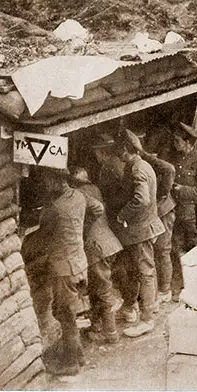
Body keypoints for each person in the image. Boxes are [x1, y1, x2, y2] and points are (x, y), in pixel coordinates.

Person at [39, 168, 103, 376]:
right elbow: (99, 209)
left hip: (63, 268)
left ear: (58, 181)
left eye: (48, 181)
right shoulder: (79, 196)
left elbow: (43, 235)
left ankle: (71, 363)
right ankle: (80, 355)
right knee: (67, 312)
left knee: (64, 315)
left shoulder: (54, 208)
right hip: (79, 262)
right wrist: (81, 231)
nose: (46, 185)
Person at [113, 130, 165, 338]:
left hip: (140, 229)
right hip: (145, 226)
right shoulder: (144, 165)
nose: (119, 156)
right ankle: (144, 307)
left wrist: (123, 214)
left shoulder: (137, 169)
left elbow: (141, 199)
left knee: (145, 272)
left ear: (127, 149)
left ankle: (147, 319)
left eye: (121, 151)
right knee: (142, 271)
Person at [68, 166, 123, 344]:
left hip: (97, 247)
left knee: (104, 290)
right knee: (97, 288)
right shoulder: (94, 188)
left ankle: (111, 333)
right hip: (109, 244)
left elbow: (98, 209)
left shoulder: (78, 195)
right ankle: (97, 326)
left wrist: (85, 229)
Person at [127, 131, 177, 310]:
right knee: (154, 254)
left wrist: (163, 194)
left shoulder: (147, 162)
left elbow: (170, 170)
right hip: (156, 211)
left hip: (163, 210)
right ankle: (156, 293)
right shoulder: (141, 164)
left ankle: (165, 290)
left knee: (163, 251)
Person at [170, 122, 197, 302]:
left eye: (178, 141)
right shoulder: (179, 158)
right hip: (178, 212)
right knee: (176, 250)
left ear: (188, 142)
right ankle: (181, 288)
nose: (175, 144)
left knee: (195, 250)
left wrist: (182, 189)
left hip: (192, 215)